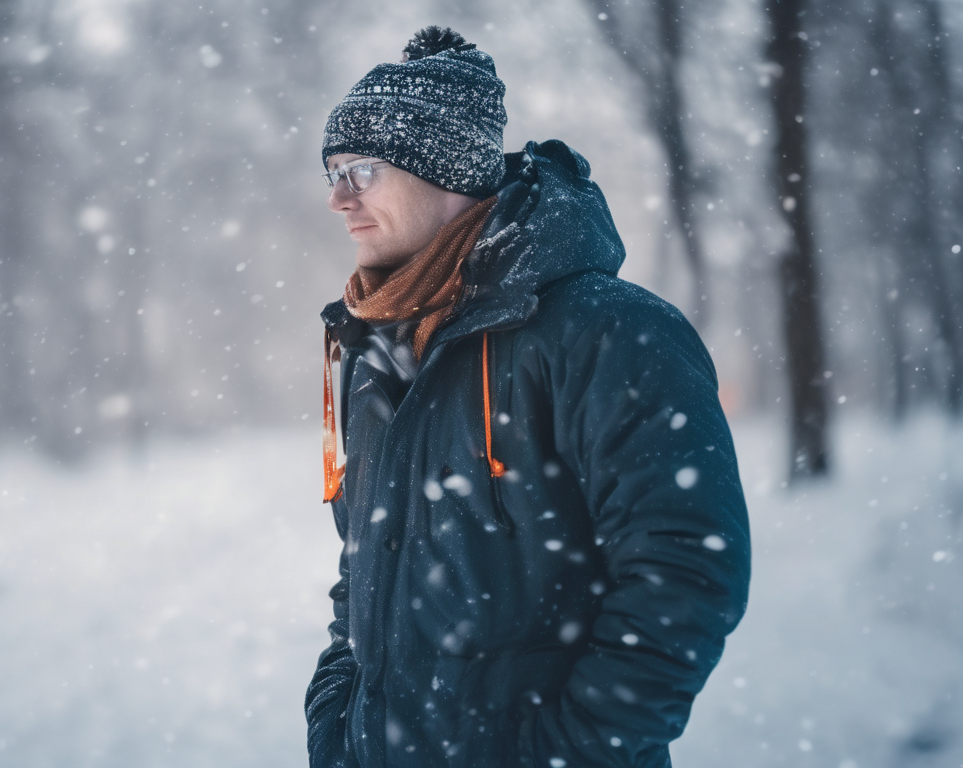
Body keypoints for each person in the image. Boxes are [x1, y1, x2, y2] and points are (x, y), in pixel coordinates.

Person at [305, 27, 751, 768]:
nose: (336, 197)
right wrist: (337, 718)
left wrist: (571, 751)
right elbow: (362, 568)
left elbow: (685, 569)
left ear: (445, 171)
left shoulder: (610, 331)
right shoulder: (375, 348)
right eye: (332, 171)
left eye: (362, 169)